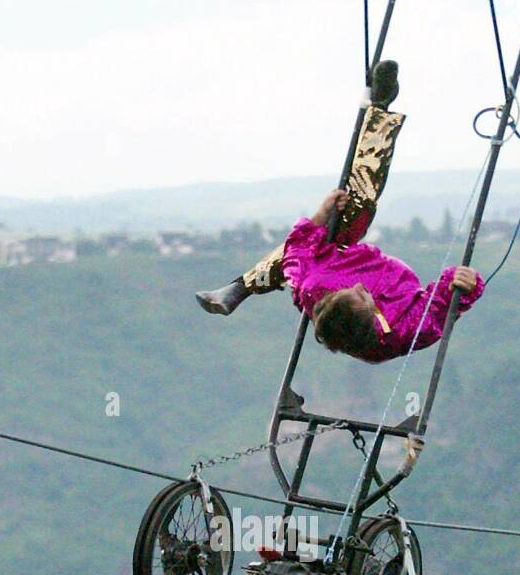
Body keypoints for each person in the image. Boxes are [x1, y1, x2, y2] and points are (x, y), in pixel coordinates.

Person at [195, 59, 484, 365]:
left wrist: (321, 215)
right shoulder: (405, 331)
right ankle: (381, 108)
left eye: (351, 291)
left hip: (338, 253)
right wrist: (465, 282)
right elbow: (440, 305)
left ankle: (241, 287)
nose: (359, 287)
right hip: (393, 282)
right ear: (371, 316)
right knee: (360, 199)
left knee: (353, 203)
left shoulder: (314, 284)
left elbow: (295, 250)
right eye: (361, 296)